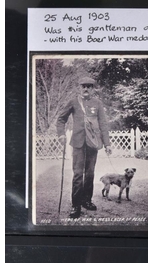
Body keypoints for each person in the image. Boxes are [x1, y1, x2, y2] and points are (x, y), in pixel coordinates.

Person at [56, 76, 112, 218]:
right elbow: (61, 119)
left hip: (93, 143)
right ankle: (76, 205)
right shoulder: (74, 102)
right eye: (83, 86)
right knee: (78, 175)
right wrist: (61, 135)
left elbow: (103, 124)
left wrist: (107, 143)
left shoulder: (97, 103)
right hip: (78, 144)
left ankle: (87, 200)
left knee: (90, 174)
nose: (86, 88)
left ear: (93, 89)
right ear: (79, 87)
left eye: (89, 86)